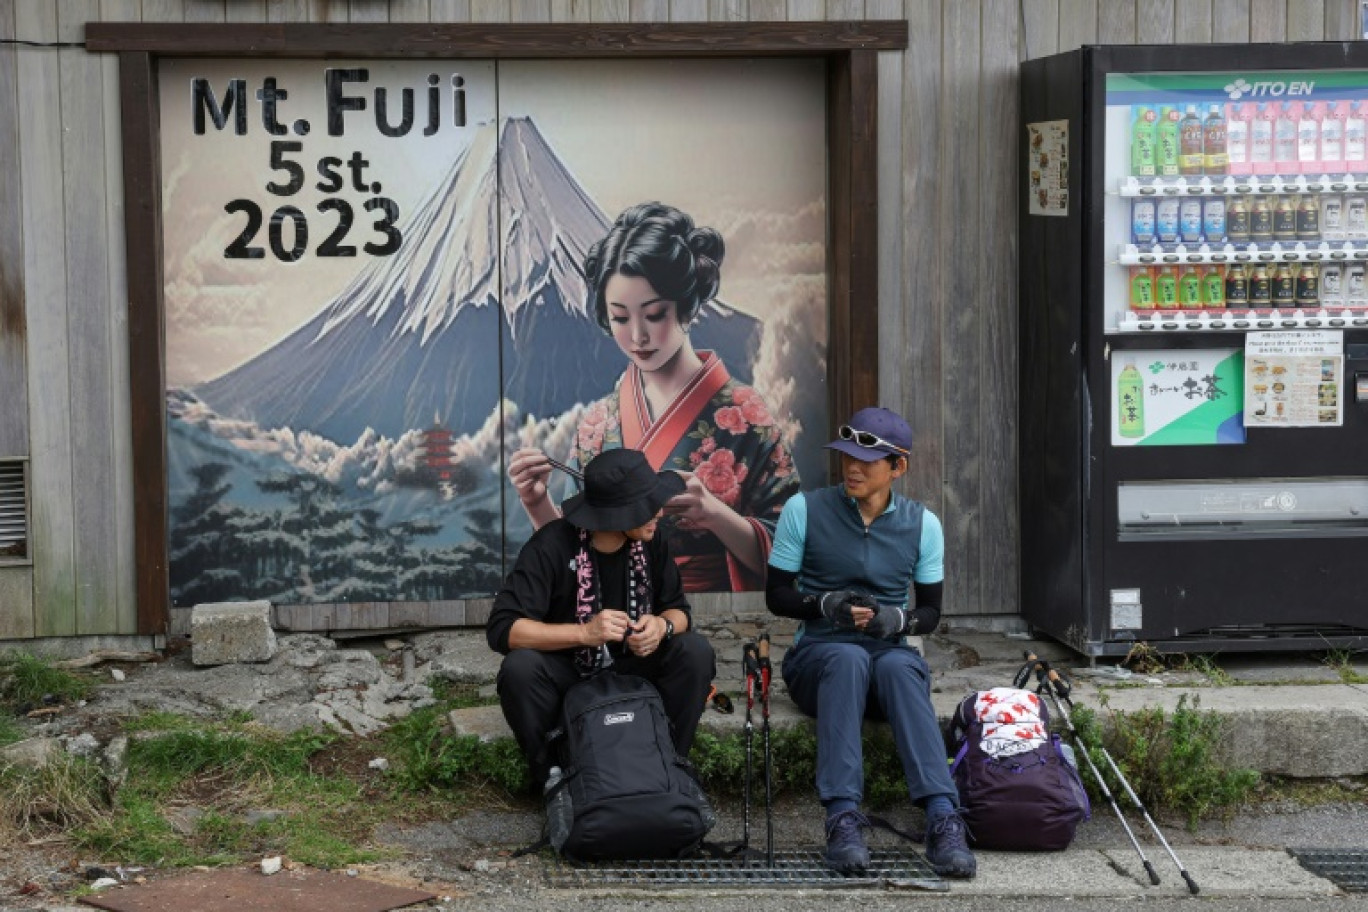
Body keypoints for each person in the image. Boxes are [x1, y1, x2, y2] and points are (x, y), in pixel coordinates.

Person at [507, 202, 800, 592]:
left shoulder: (744, 415)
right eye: (621, 318)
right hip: (614, 616)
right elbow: (574, 559)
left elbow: (795, 548)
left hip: (709, 614)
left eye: (655, 314)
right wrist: (538, 503)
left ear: (686, 306)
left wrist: (714, 514)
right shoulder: (598, 424)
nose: (638, 336)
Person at [764, 407, 976, 878]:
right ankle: (842, 816)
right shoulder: (805, 509)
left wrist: (893, 619)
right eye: (847, 458)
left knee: (900, 667)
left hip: (887, 658)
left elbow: (930, 614)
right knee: (846, 657)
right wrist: (825, 605)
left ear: (898, 467)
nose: (853, 469)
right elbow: (776, 596)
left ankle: (943, 816)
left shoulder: (924, 525)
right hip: (818, 658)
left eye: (867, 461)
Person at [486, 447, 716, 788]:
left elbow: (678, 611)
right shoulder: (552, 545)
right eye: (647, 508)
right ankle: (553, 778)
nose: (659, 512)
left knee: (694, 652)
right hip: (569, 673)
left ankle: (671, 763)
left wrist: (661, 626)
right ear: (618, 516)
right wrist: (585, 633)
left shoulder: (653, 541)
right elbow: (504, 629)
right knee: (520, 670)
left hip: (635, 668)